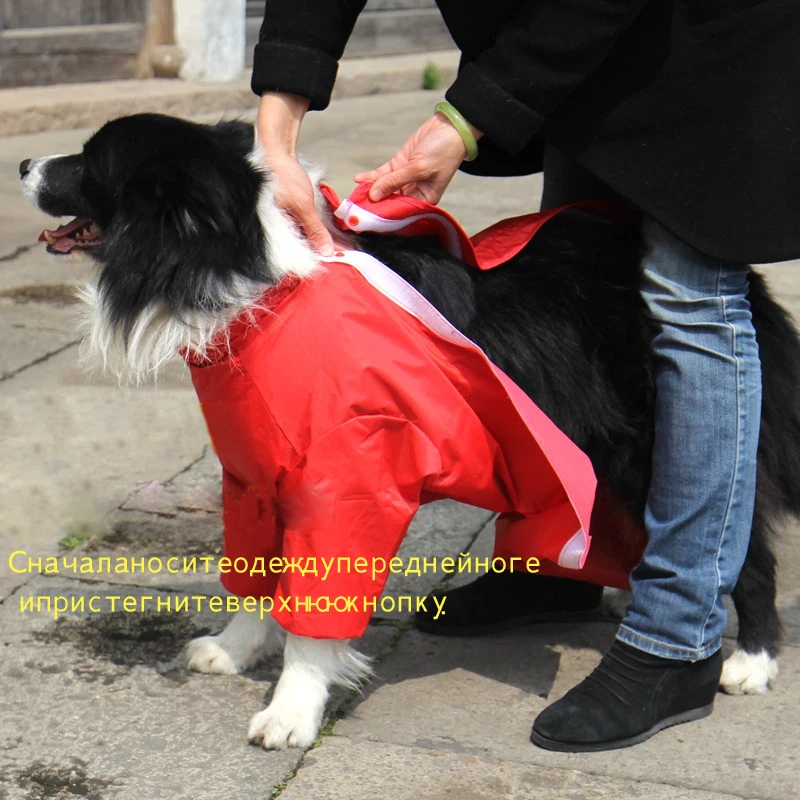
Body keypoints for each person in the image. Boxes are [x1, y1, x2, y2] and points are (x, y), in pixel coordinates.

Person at [250, 0, 800, 752]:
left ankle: (680, 632)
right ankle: (563, 560)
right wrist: (274, 135)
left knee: (688, 289)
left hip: (703, 43)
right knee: (581, 271)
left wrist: (466, 119)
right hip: (585, 51)